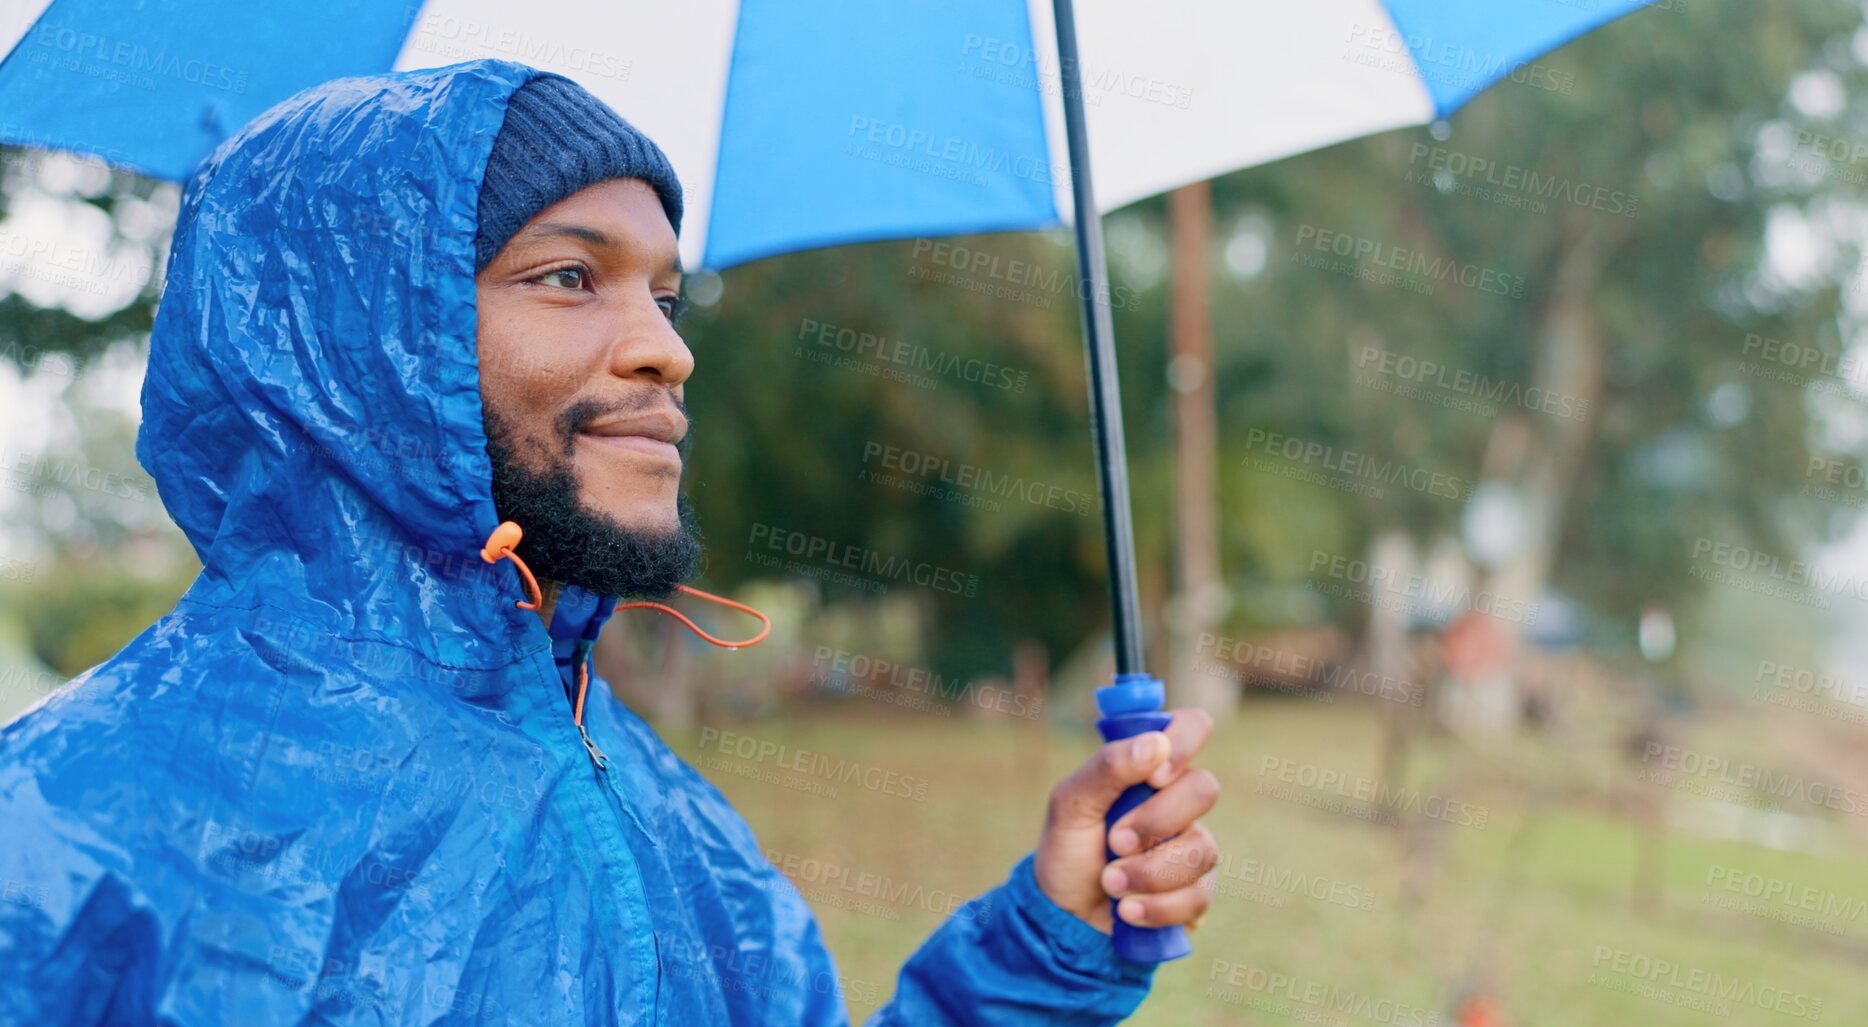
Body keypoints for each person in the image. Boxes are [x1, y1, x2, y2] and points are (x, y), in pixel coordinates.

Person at [0, 59, 1221, 1025]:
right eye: (572, 277)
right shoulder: (68, 833)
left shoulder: (647, 802)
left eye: (667, 296)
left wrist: (1047, 941)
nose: (667, 349)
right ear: (358, 345)